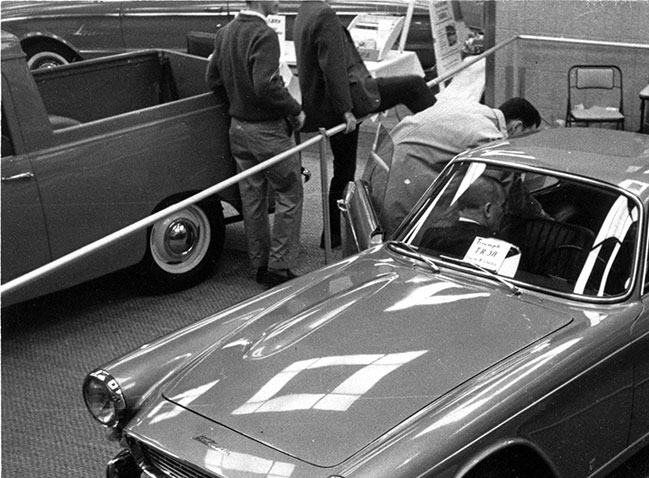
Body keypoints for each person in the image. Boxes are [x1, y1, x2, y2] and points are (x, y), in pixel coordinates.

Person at [293, 0, 437, 248]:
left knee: (343, 170)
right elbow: (333, 68)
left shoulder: (304, 11)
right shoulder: (324, 14)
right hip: (342, 104)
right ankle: (441, 126)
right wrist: (346, 110)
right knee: (413, 85)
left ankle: (333, 234)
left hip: (324, 105)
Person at [206, 0, 305, 288]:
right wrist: (294, 109)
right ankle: (279, 266)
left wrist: (237, 102)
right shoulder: (264, 35)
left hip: (237, 129)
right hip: (268, 133)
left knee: (253, 200)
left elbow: (212, 79)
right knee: (290, 193)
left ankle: (260, 264)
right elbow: (266, 84)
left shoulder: (224, 33)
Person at [378, 97, 542, 236]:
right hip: (403, 184)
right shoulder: (490, 137)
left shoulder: (472, 108)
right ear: (516, 127)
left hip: (383, 164)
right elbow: (508, 190)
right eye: (527, 136)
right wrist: (542, 217)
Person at [418, 176, 508, 258]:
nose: (504, 212)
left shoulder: (431, 234)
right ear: (487, 209)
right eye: (502, 207)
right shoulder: (496, 247)